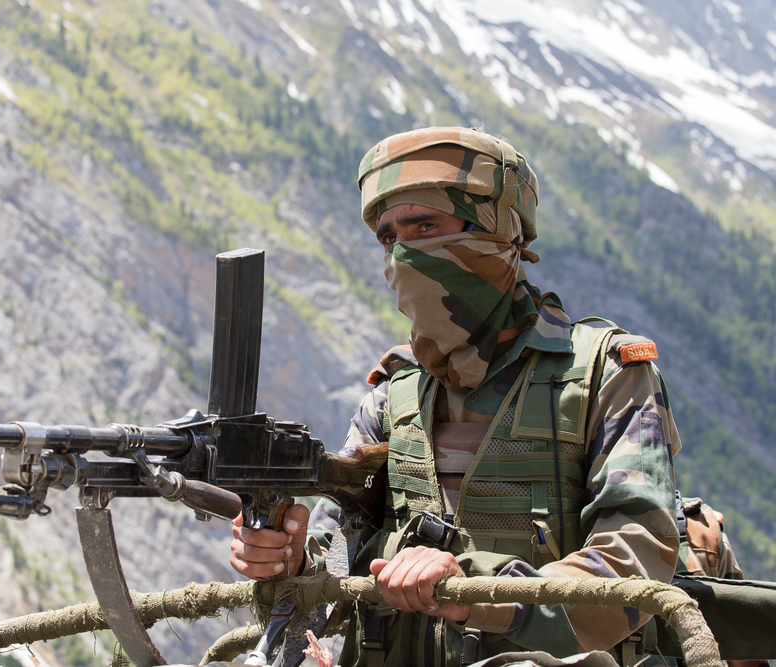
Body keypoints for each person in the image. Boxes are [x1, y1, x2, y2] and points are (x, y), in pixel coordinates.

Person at [230, 127, 684, 666]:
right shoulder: (394, 397)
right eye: (388, 236)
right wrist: (290, 561)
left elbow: (633, 563)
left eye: (427, 226)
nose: (404, 253)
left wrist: (472, 586)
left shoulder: (602, 376)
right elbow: (336, 571)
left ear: (498, 232)